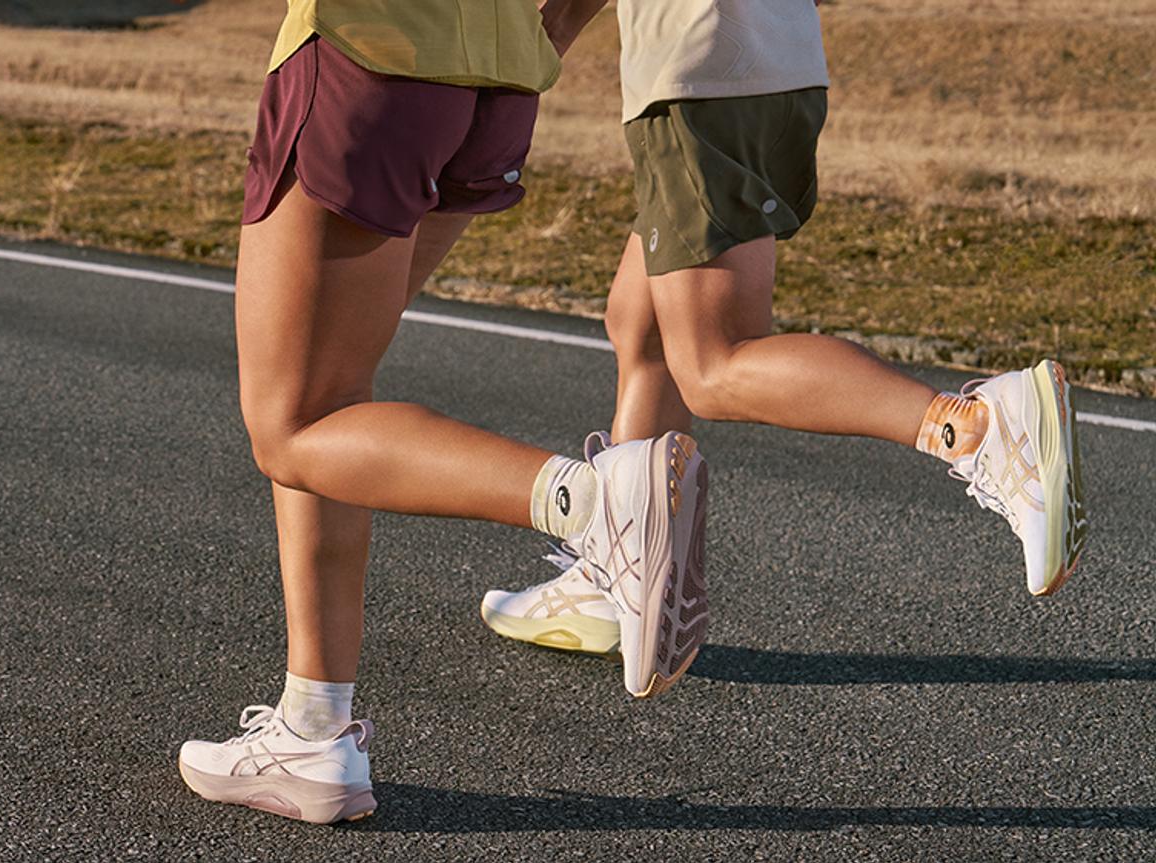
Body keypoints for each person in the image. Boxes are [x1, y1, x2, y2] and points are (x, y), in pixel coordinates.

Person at [175, 0, 684, 825]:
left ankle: (596, 502)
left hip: (367, 47)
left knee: (293, 423)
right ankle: (313, 728)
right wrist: (547, 28)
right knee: (332, 407)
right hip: (495, 74)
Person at [480, 0, 1089, 659]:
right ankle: (615, 571)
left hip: (696, 72)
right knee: (643, 320)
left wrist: (541, 37)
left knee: (712, 362)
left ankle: (977, 429)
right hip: (776, 60)